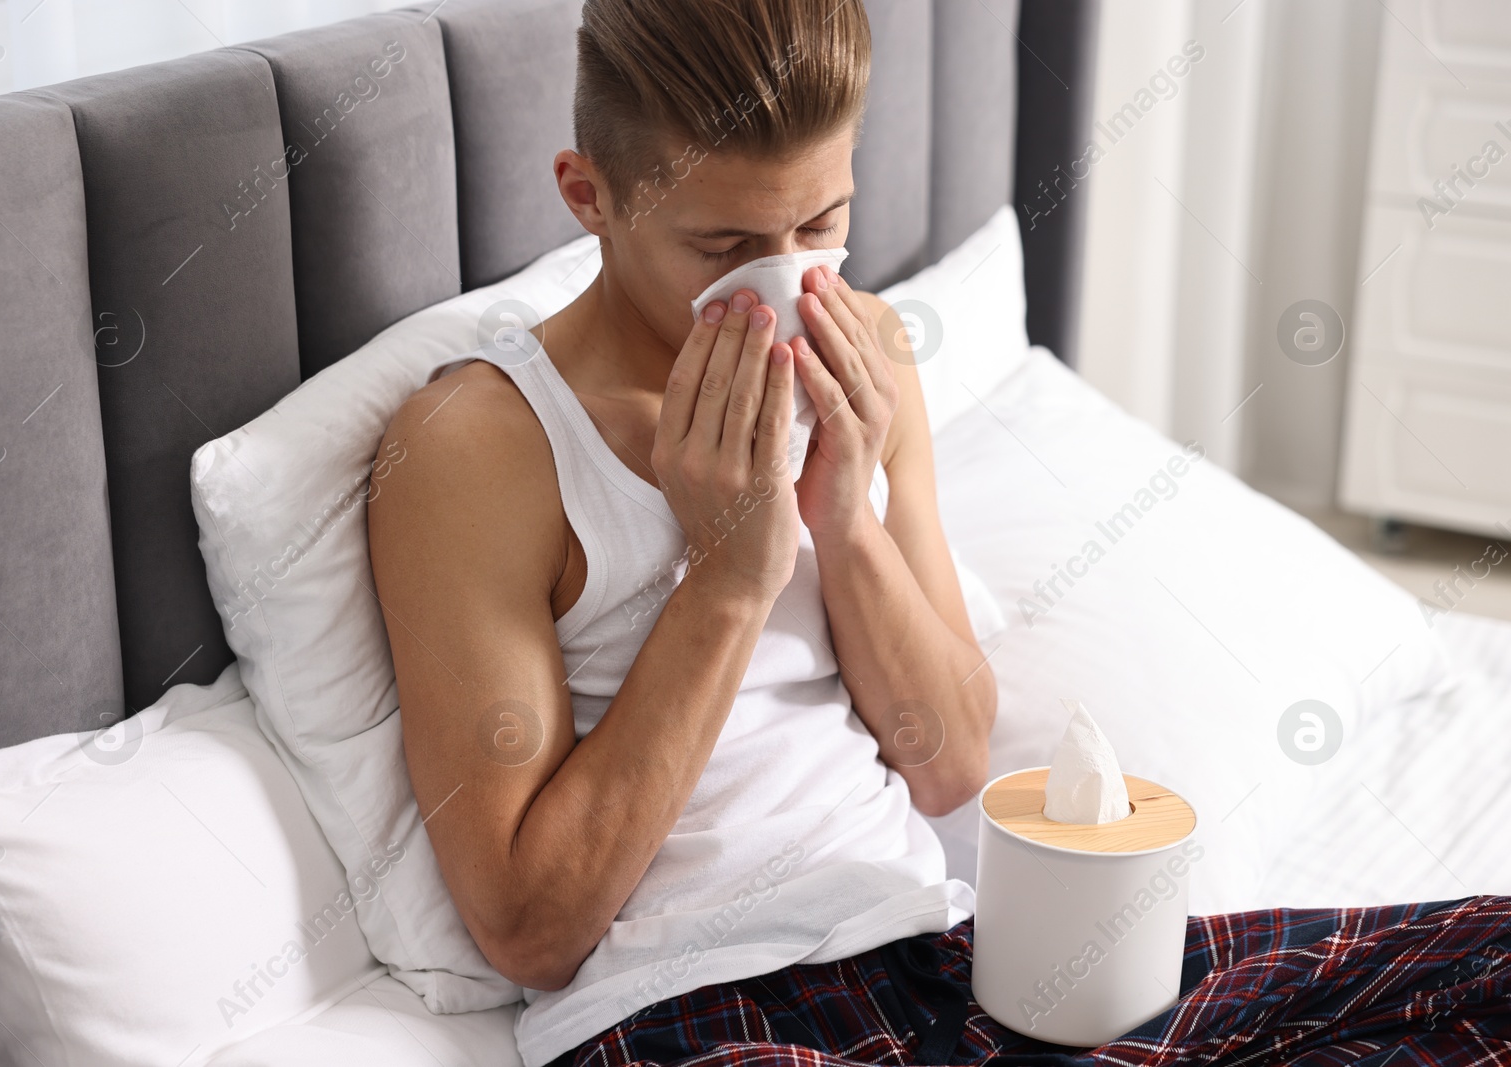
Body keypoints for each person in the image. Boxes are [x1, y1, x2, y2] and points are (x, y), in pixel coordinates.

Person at [367, 2, 1511, 1064]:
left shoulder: (867, 355)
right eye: (720, 248)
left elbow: (949, 761)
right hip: (692, 1010)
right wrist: (730, 576)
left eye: (821, 222)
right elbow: (529, 926)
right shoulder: (478, 444)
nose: (783, 281)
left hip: (945, 959)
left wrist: (842, 516)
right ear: (589, 195)